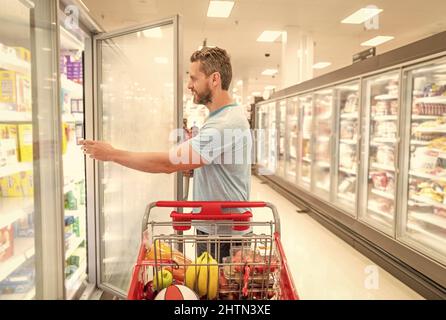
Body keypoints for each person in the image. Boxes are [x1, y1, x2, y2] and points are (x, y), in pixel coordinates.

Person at [80, 47, 252, 261]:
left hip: (223, 236)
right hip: (217, 226)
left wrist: (113, 154)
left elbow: (168, 164)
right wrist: (199, 168)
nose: (189, 85)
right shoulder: (223, 117)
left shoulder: (224, 123)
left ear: (214, 79)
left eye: (194, 78)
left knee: (217, 293)